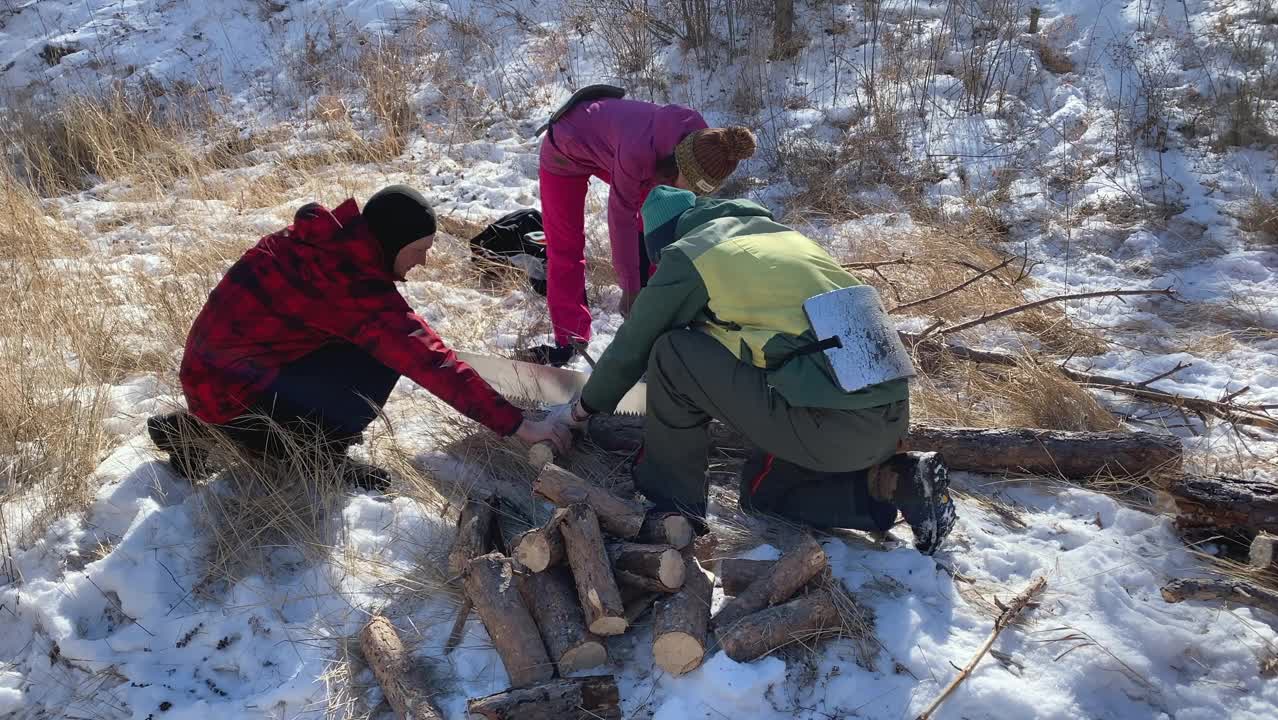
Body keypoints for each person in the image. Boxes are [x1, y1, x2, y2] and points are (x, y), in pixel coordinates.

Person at [550, 186, 957, 554]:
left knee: (672, 355)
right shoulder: (780, 238)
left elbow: (634, 344)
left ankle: (673, 507)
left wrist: (579, 411)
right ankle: (890, 484)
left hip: (832, 425)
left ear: (664, 243)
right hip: (889, 418)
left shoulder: (692, 253)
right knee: (761, 493)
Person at [147, 185, 569, 490]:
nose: (424, 260)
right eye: (418, 249)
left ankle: (202, 431)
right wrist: (517, 426)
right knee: (382, 358)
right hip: (234, 394)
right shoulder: (348, 286)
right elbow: (427, 359)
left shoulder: (322, 246)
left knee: (365, 346)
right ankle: (314, 457)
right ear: (391, 242)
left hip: (214, 382)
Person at [525, 88, 757, 366]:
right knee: (566, 246)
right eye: (690, 186)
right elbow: (620, 218)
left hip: (620, 152)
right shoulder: (638, 150)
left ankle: (655, 328)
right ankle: (570, 338)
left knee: (656, 230)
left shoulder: (710, 146)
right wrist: (630, 289)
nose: (690, 193)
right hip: (567, 146)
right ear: (679, 162)